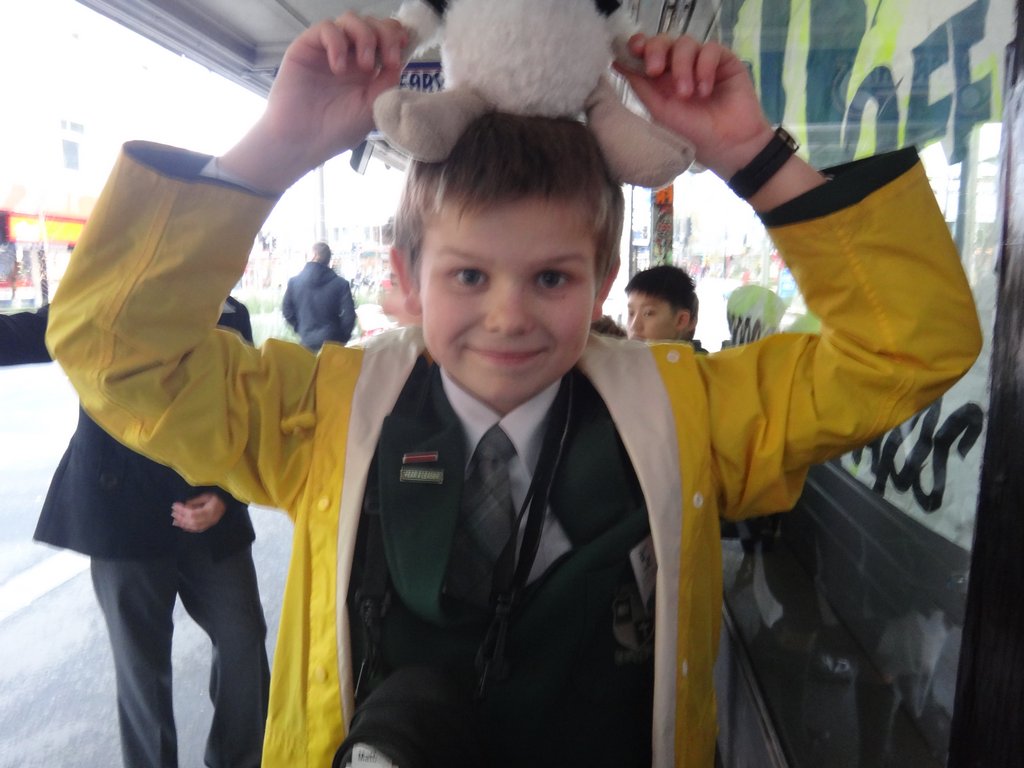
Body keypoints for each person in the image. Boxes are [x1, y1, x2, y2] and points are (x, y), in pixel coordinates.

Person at [46, 14, 981, 768]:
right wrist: (279, 145)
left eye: (552, 278)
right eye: (468, 275)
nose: (508, 317)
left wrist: (753, 155)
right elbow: (114, 350)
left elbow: (908, 347)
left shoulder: (689, 413)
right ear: (407, 277)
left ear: (604, 277)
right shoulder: (324, 412)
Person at [2, 301, 270, 768]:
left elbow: (245, 411)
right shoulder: (108, 298)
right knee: (142, 671)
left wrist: (230, 495)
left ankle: (239, 759)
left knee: (244, 642)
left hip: (211, 511)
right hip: (123, 515)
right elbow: (23, 334)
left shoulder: (228, 310)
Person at [282, 241, 356, 349]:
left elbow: (287, 311)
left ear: (313, 255)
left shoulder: (294, 283)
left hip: (306, 343)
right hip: (333, 345)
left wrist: (301, 328)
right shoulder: (341, 284)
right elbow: (349, 317)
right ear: (328, 260)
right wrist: (342, 339)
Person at [625, 264, 706, 351]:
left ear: (681, 320)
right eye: (631, 313)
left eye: (648, 313)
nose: (634, 326)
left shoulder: (697, 360)